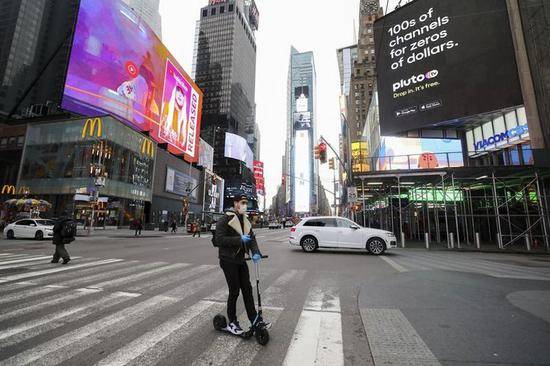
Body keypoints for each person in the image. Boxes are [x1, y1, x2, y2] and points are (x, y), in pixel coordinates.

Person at [215, 195, 271, 335]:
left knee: (247, 289)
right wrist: (239, 239)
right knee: (234, 291)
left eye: (246, 203)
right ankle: (232, 322)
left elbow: (251, 239)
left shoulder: (245, 220)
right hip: (227, 260)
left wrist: (256, 252)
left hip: (240, 260)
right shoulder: (225, 219)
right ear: (235, 203)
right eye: (243, 203)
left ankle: (254, 320)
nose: (245, 205)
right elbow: (219, 239)